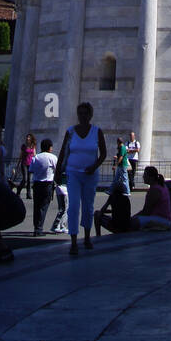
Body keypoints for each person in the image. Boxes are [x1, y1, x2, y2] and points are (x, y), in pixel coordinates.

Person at [57, 102, 107, 256]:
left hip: (90, 175)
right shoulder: (70, 131)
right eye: (80, 113)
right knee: (73, 206)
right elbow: (63, 151)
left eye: (85, 113)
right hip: (73, 173)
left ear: (90, 115)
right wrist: (58, 171)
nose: (83, 116)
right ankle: (73, 241)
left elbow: (104, 153)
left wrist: (94, 166)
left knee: (88, 206)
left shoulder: (97, 131)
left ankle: (86, 237)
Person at [130, 166, 171, 230]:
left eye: (145, 175)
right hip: (165, 219)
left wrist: (132, 218)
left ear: (151, 177)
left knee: (134, 222)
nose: (143, 177)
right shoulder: (161, 186)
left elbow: (146, 211)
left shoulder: (154, 190)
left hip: (161, 219)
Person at [31, 138, 58, 236]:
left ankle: (36, 227)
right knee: (43, 206)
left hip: (37, 183)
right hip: (47, 184)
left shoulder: (36, 157)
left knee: (36, 206)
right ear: (49, 147)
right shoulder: (53, 157)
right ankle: (39, 229)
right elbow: (57, 169)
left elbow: (31, 169)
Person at [14, 133, 36, 200]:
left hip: (30, 164)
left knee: (29, 180)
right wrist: (17, 165)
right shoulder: (24, 146)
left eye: (29, 137)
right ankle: (18, 191)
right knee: (25, 179)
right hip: (24, 164)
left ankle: (28, 194)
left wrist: (35, 164)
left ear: (31, 139)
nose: (27, 138)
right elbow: (21, 155)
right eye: (27, 137)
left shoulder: (33, 146)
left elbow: (35, 155)